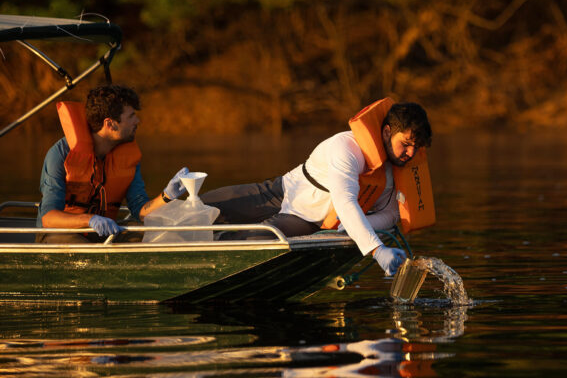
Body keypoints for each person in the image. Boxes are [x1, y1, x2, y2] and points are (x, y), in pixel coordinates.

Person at [201, 98, 435, 276]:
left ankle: (206, 262)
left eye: (416, 147)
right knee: (204, 205)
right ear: (386, 132)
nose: (411, 154)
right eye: (405, 144)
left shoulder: (400, 171)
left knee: (251, 242)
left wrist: (353, 227)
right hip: (282, 191)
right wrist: (375, 249)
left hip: (308, 220)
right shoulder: (345, 148)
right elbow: (345, 202)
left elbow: (393, 214)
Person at [36, 84, 189, 243]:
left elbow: (140, 211)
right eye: (131, 116)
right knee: (89, 253)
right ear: (110, 124)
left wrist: (167, 196)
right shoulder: (60, 154)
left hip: (105, 233)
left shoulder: (128, 158)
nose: (137, 121)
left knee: (160, 236)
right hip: (58, 234)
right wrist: (90, 220)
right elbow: (49, 218)